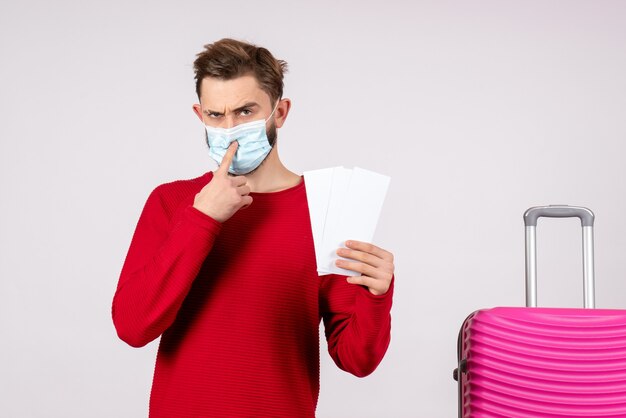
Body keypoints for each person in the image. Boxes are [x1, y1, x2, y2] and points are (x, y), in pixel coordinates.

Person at [112, 38, 395, 418]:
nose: (229, 129)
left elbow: (356, 360)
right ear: (200, 114)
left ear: (280, 113)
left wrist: (376, 296)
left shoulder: (326, 207)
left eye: (245, 111)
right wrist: (202, 218)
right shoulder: (172, 202)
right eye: (216, 115)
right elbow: (133, 327)